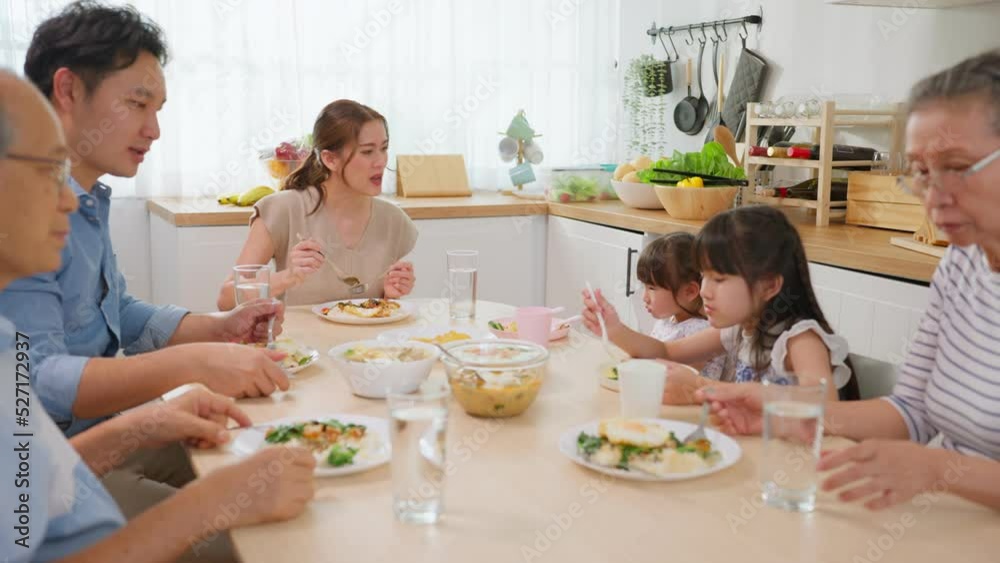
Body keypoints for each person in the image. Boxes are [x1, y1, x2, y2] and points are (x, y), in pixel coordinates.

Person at [0, 67, 314, 563]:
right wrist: (206, 505)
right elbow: (40, 386)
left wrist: (143, 421)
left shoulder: (6, 338)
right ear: (69, 90)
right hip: (82, 468)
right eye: (44, 169)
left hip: (86, 446)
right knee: (270, 541)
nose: (65, 198)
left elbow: (26, 481)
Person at [698, 49, 1000, 511]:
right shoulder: (961, 266)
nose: (933, 197)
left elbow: (923, 451)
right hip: (954, 518)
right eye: (920, 172)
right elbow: (909, 414)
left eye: (957, 166)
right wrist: (784, 415)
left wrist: (936, 469)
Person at [584, 206, 860, 402]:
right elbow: (667, 351)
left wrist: (705, 386)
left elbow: (823, 402)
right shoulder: (741, 328)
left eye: (719, 279)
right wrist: (615, 328)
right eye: (704, 276)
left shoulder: (799, 339)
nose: (704, 290)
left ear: (769, 286)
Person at [217, 99, 418, 310]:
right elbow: (226, 299)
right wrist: (288, 276)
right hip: (299, 343)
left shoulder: (393, 221)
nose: (381, 162)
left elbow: (370, 315)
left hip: (364, 344)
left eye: (384, 148)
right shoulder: (282, 210)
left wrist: (390, 296)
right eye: (367, 152)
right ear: (330, 159)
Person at [579, 232, 729, 389]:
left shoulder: (700, 330)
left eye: (652, 288)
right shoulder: (669, 321)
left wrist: (616, 332)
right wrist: (613, 329)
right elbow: (658, 352)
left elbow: (678, 379)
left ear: (689, 291)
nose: (645, 297)